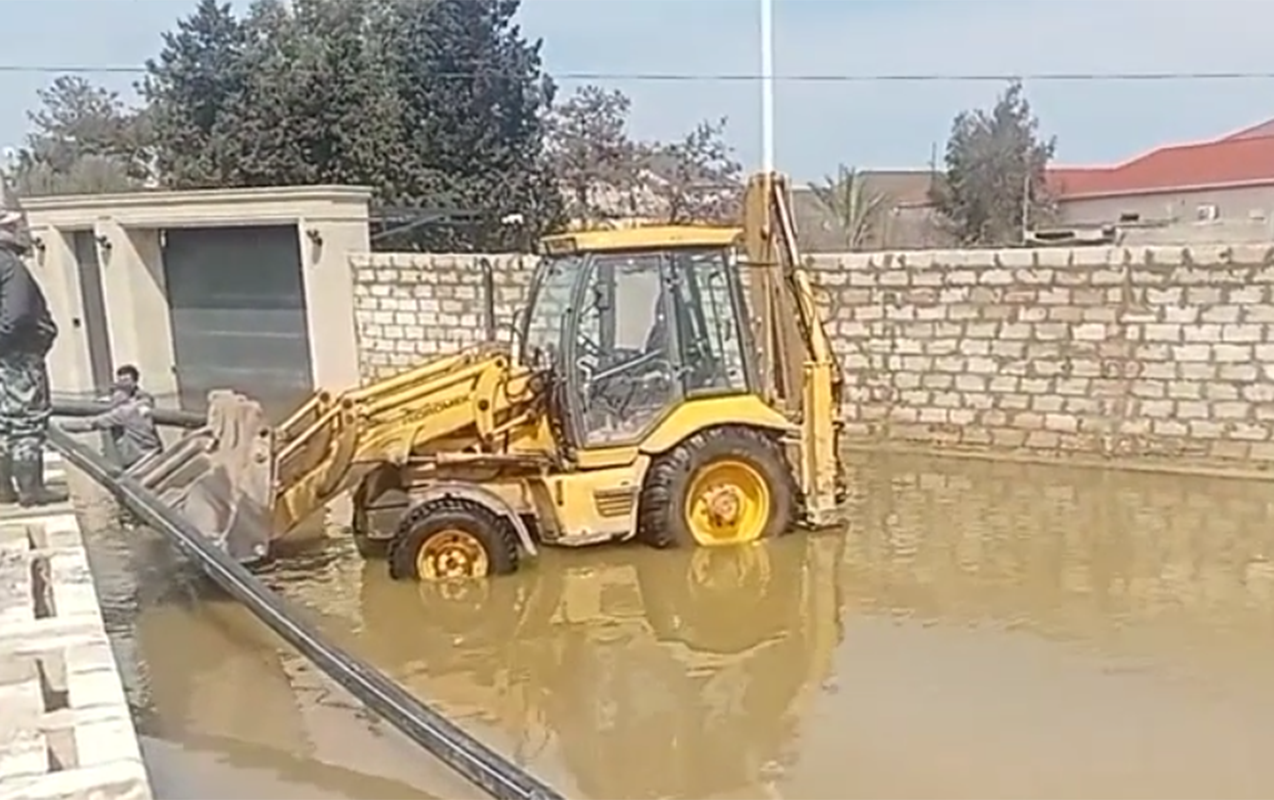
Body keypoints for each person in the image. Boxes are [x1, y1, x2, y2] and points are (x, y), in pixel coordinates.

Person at [0, 178, 64, 506]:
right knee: (25, 421)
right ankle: (30, 488)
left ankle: (3, 489)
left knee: (2, 423)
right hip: (18, 357)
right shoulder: (10, 266)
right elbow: (18, 314)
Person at [62, 367, 162, 468]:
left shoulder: (123, 412)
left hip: (140, 458)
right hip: (152, 453)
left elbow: (91, 424)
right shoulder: (143, 403)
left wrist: (63, 427)